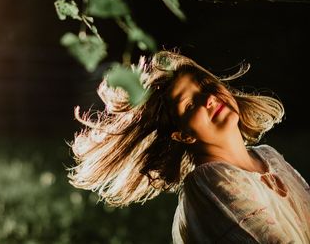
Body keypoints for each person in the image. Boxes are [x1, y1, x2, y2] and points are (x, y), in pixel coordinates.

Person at [67, 50, 310, 243]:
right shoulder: (210, 182)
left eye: (204, 85)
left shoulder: (269, 157)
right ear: (183, 135)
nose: (208, 99)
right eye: (190, 106)